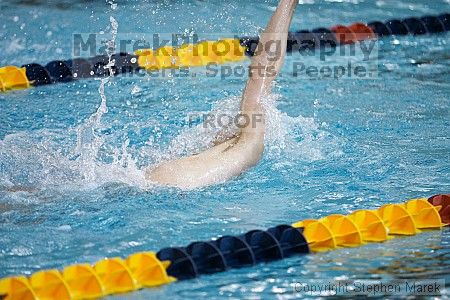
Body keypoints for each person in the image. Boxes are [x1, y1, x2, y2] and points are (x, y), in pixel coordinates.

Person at [146, 0, 298, 189]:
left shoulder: (217, 150)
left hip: (151, 176)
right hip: (170, 184)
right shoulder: (251, 147)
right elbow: (262, 72)